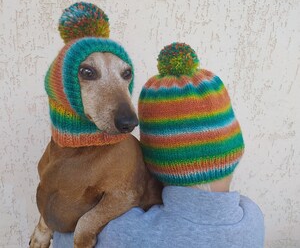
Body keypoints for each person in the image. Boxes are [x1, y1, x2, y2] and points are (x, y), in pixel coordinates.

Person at [53, 43, 264, 248]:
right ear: (235, 150)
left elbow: (62, 228)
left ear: (152, 162)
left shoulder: (125, 231)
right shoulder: (253, 218)